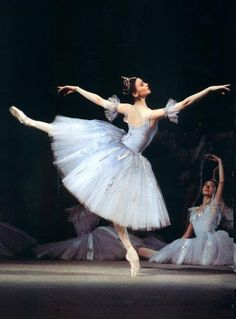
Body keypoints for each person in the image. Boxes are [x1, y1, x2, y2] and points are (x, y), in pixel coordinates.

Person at [9, 77, 230, 275]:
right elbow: (99, 101)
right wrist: (78, 88)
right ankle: (29, 122)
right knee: (76, 133)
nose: (147, 85)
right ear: (136, 93)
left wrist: (209, 89)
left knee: (116, 208)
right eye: (142, 84)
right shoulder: (144, 113)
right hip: (119, 154)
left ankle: (130, 249)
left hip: (125, 158)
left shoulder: (147, 113)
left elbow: (185, 103)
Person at [144, 154, 233, 266]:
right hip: (196, 245)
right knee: (168, 254)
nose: (207, 187)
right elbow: (186, 235)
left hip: (211, 243)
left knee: (204, 259)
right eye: (206, 184)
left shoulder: (214, 206)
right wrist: (174, 247)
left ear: (215, 191)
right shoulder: (194, 211)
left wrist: (219, 161)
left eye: (211, 186)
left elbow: (221, 182)